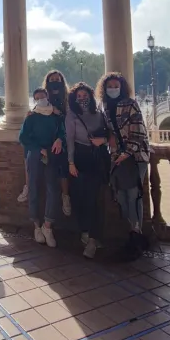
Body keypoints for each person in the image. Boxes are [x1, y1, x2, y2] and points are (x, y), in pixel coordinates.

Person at [98, 72, 150, 259]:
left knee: (133, 195)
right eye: (109, 86)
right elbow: (105, 128)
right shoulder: (103, 105)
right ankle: (131, 229)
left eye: (116, 85)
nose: (113, 89)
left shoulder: (131, 104)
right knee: (120, 195)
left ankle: (136, 234)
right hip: (116, 157)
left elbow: (139, 131)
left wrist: (126, 154)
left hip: (135, 156)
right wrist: (107, 139)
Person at [18, 70, 72, 216]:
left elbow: (69, 118)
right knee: (27, 151)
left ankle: (65, 195)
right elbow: (38, 112)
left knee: (62, 162)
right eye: (52, 79)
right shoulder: (43, 96)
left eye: (57, 79)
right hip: (43, 140)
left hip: (62, 136)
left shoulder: (67, 98)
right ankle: (28, 185)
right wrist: (30, 114)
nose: (55, 81)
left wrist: (58, 114)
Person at [66, 82, 110, 258]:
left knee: (93, 198)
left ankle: (92, 238)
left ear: (90, 97)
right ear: (74, 99)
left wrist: (103, 141)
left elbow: (108, 134)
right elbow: (69, 140)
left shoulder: (99, 114)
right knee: (79, 198)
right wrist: (70, 162)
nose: (82, 99)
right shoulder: (71, 115)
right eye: (79, 97)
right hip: (79, 158)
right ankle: (85, 231)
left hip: (96, 158)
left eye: (85, 96)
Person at [20, 87, 66, 248]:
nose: (41, 99)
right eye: (37, 97)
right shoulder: (31, 117)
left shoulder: (55, 116)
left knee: (53, 189)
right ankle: (36, 226)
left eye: (43, 96)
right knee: (34, 188)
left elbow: (63, 131)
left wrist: (60, 140)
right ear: (34, 99)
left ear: (47, 96)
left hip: (52, 155)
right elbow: (23, 137)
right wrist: (38, 148)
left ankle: (48, 226)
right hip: (35, 154)